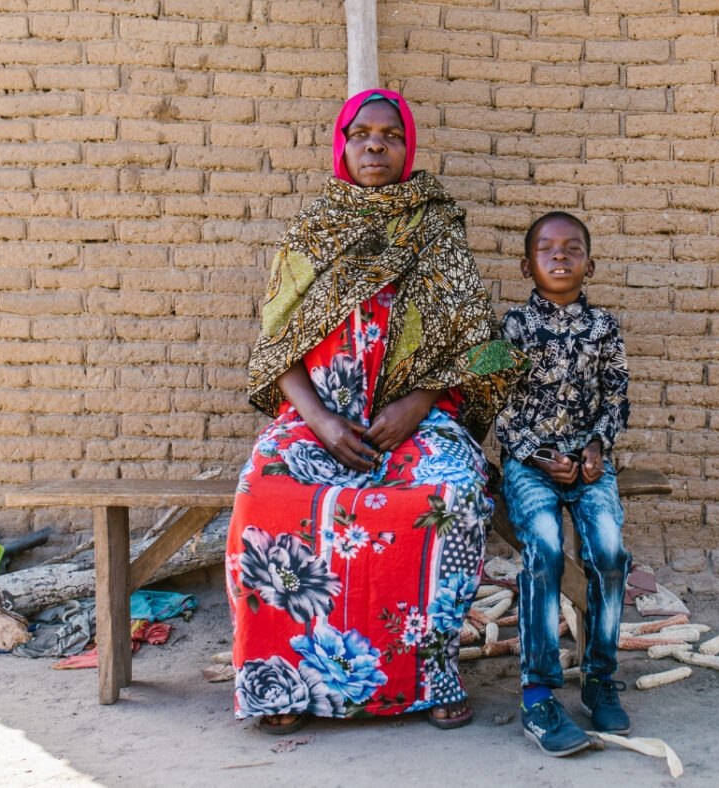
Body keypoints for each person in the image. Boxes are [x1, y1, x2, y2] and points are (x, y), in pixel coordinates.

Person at [225, 89, 523, 735]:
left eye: (390, 135)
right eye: (361, 134)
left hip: (415, 422)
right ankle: (284, 687)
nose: (375, 146)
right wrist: (323, 423)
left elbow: (483, 348)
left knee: (455, 493)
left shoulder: (437, 229)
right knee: (262, 495)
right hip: (319, 420)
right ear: (343, 145)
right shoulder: (312, 230)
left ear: (407, 146)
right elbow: (276, 347)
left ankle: (431, 676)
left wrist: (418, 405)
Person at [495, 211, 632, 756]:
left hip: (591, 463)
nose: (559, 255)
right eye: (545, 249)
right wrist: (540, 454)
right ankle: (538, 694)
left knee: (609, 551)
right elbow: (495, 404)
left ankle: (599, 677)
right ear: (526, 267)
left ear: (590, 265)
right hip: (530, 465)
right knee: (546, 548)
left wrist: (596, 448)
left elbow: (618, 398)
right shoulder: (508, 327)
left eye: (572, 248)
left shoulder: (605, 327)